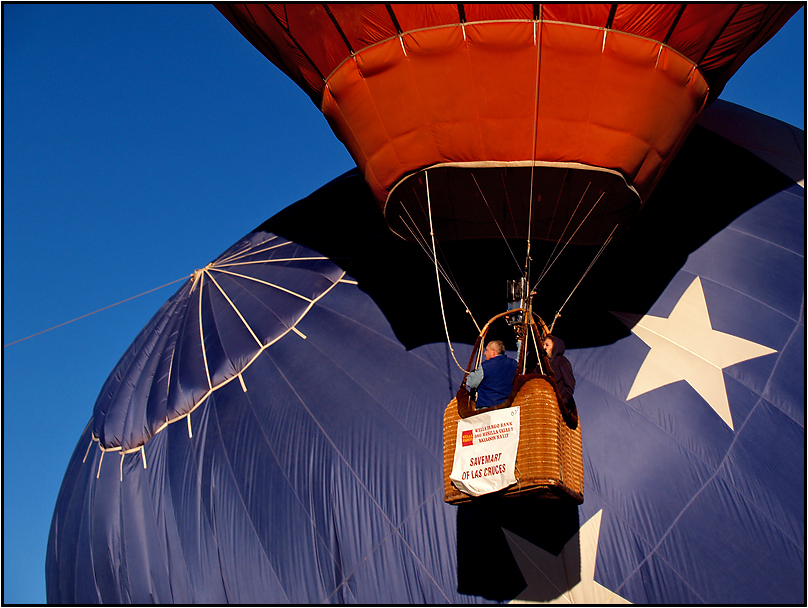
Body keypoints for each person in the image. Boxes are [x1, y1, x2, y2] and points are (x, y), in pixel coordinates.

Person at [466, 340, 518, 409]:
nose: (485, 353)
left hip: (487, 410)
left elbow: (471, 383)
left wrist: (471, 375)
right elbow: (521, 357)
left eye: (487, 350)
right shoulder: (513, 364)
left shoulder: (485, 366)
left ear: (494, 352)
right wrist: (520, 342)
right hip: (507, 409)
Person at [542, 335, 578, 424]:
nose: (544, 347)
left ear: (554, 347)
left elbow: (570, 383)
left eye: (547, 345)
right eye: (543, 345)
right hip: (544, 405)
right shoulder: (541, 365)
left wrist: (564, 402)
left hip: (558, 405)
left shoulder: (561, 361)